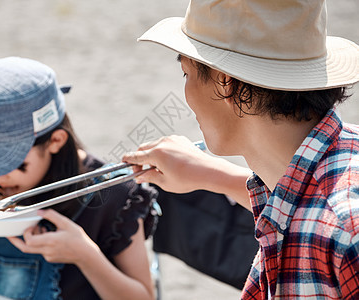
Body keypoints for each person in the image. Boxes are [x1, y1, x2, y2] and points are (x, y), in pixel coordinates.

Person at [123, 0, 359, 299]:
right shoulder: (343, 153)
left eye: (187, 73)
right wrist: (211, 174)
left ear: (226, 82)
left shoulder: (345, 230)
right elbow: (296, 203)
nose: (186, 95)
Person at [0, 57, 157, 300]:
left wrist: (85, 256)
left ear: (55, 141)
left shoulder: (112, 194)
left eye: (11, 162)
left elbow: (144, 296)